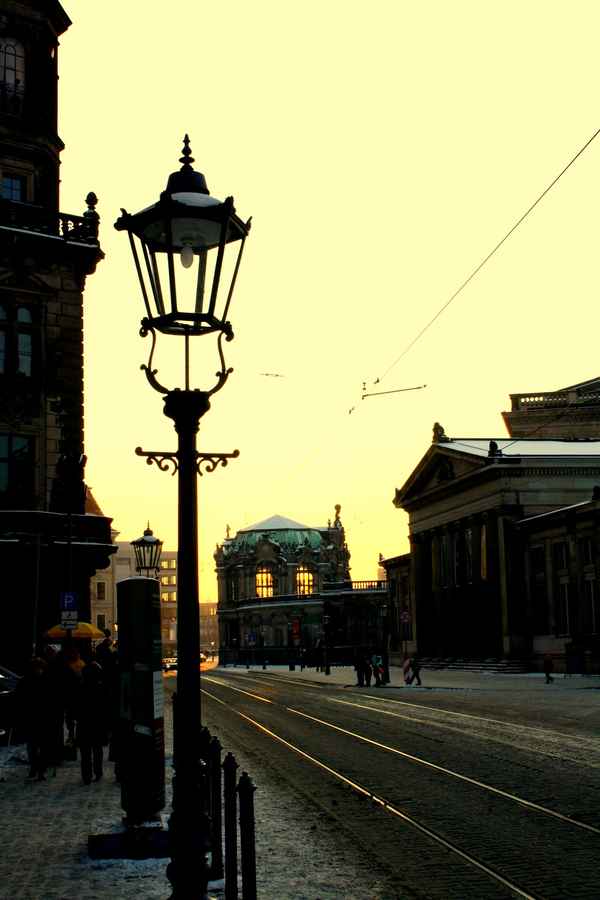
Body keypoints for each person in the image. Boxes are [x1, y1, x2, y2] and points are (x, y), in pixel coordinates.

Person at [14, 657, 54, 780]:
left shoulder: (25, 681)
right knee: (38, 745)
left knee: (35, 745)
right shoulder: (45, 681)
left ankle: (37, 768)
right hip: (38, 717)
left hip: (34, 717)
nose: (39, 670)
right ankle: (38, 768)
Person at [75, 661, 110, 784]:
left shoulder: (80, 687)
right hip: (97, 723)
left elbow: (74, 707)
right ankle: (97, 772)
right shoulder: (101, 688)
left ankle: (87, 775)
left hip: (84, 723)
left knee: (85, 752)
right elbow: (106, 708)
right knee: (97, 749)